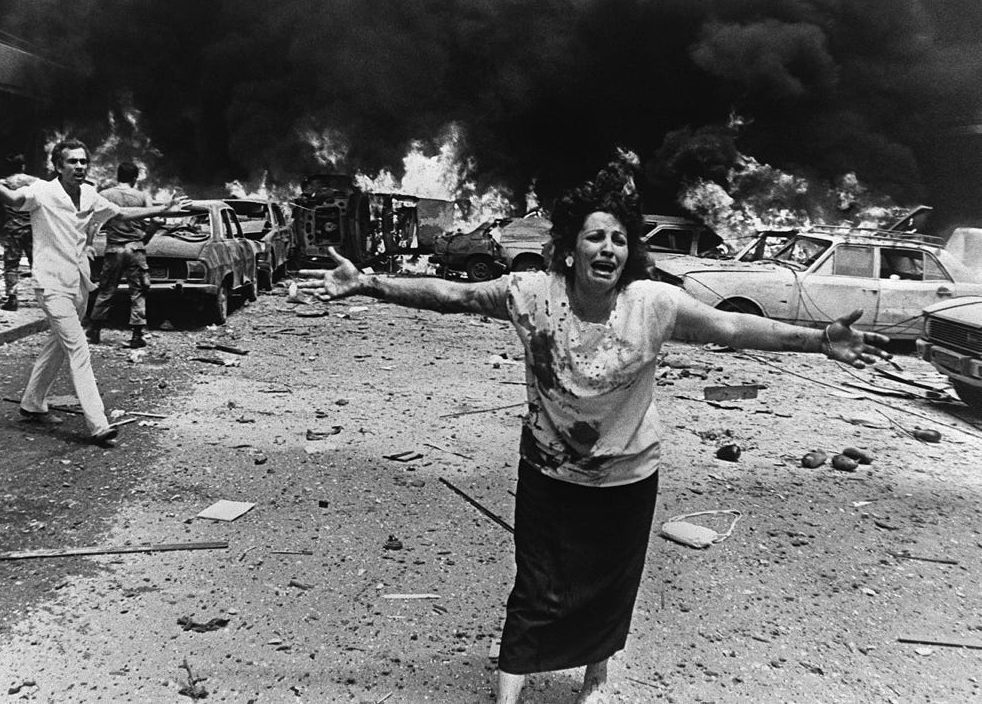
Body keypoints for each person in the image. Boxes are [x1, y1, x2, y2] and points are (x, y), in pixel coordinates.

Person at [298, 157, 891, 704]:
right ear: (570, 248)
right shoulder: (531, 294)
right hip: (548, 472)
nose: (607, 248)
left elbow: (733, 328)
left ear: (629, 252)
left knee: (609, 589)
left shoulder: (652, 304)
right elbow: (452, 294)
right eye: (595, 237)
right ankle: (509, 690)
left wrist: (818, 339)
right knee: (537, 586)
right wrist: (369, 282)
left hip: (628, 477)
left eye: (619, 239)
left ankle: (596, 678)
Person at [0, 140, 178, 447]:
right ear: (58, 166)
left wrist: (161, 209)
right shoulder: (42, 191)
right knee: (78, 347)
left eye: (83, 161)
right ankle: (98, 424)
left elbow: (119, 214)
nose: (79, 166)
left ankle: (32, 403)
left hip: (79, 283)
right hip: (50, 284)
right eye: (72, 161)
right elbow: (12, 198)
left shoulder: (90, 194)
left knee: (58, 344)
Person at [87, 161, 158, 348]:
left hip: (114, 248)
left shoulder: (104, 195)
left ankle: (94, 331)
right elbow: (155, 221)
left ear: (117, 176)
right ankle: (137, 335)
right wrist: (144, 239)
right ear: (135, 178)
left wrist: (89, 244)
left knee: (106, 290)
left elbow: (94, 222)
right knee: (138, 292)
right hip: (135, 248)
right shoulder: (143, 196)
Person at [0, 153, 38, 311]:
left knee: (11, 265)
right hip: (32, 227)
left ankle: (12, 298)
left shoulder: (3, 183)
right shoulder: (34, 181)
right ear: (23, 166)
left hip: (13, 228)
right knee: (37, 263)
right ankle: (44, 296)